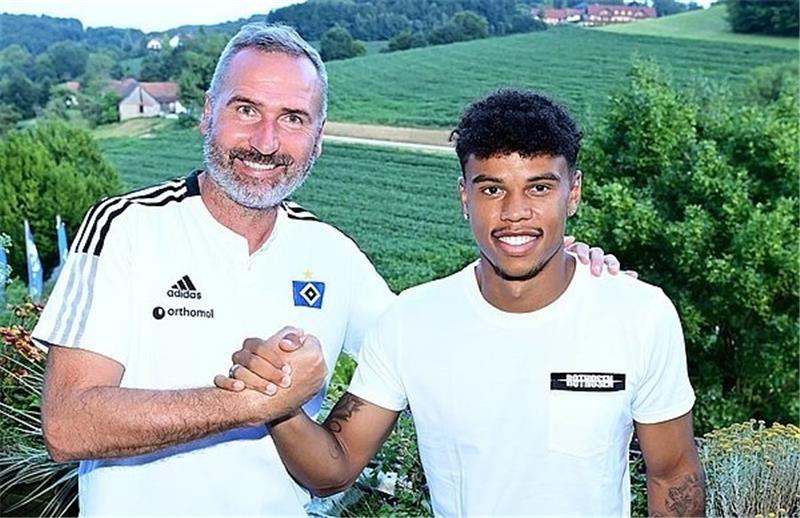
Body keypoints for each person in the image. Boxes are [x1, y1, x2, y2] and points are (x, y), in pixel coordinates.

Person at [33, 24, 619, 516]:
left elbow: (438, 341)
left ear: (318, 137)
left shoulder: (332, 254)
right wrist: (251, 404)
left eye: (292, 118)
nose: (266, 141)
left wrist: (560, 272)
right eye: (246, 110)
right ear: (208, 114)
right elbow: (69, 424)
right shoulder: (127, 227)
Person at [221, 89, 705, 516]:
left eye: (539, 187)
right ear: (464, 197)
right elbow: (334, 469)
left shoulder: (640, 315)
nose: (515, 214)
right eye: (492, 189)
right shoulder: (411, 321)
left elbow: (674, 477)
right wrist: (277, 405)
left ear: (572, 193)